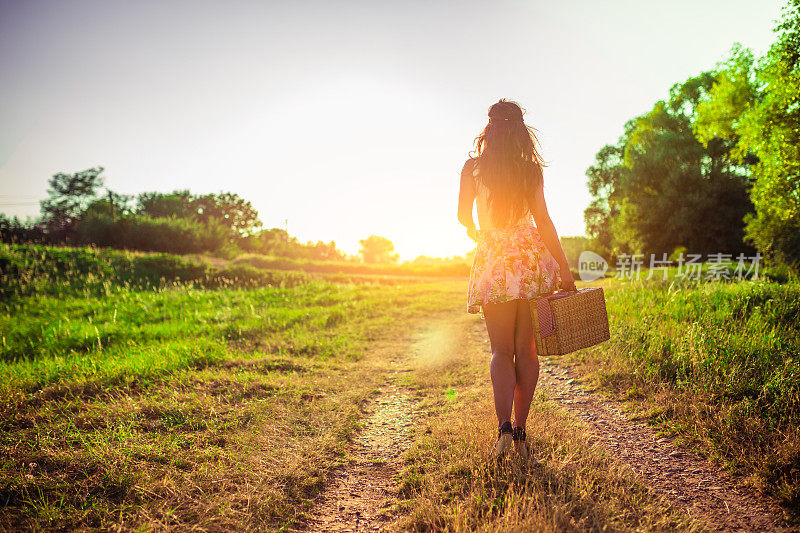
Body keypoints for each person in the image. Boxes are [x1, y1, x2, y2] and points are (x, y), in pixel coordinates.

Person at [457, 99, 576, 460]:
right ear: (522, 130)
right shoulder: (531, 170)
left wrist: (479, 234)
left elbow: (463, 217)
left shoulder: (472, 168)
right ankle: (522, 433)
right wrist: (565, 269)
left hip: (494, 258)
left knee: (499, 351)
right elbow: (544, 221)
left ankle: (503, 430)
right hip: (529, 258)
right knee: (527, 350)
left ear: (489, 129)